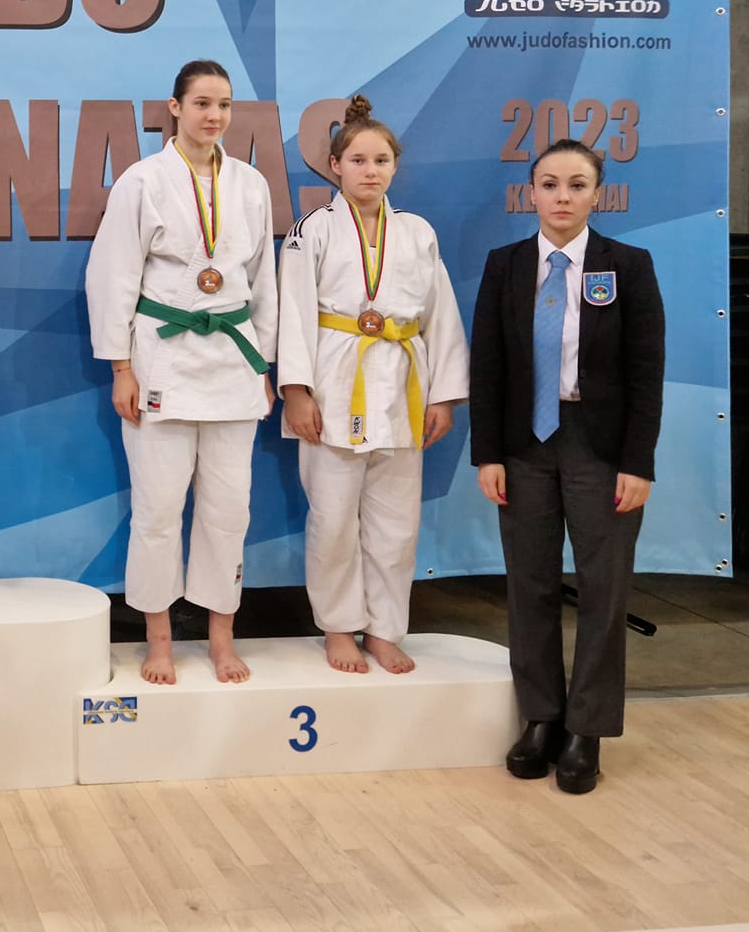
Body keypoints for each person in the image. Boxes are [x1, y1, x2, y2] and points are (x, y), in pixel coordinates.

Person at [470, 137, 665, 794]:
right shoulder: (505, 266)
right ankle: (542, 718)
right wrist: (488, 453)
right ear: (530, 194)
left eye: (577, 185)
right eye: (550, 184)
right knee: (529, 583)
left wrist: (638, 462)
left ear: (597, 194)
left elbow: (646, 372)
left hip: (599, 446)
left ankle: (588, 728)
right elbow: (487, 366)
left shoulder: (627, 266)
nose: (562, 197)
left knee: (603, 587)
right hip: (524, 444)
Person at [86, 60, 276, 684]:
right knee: (158, 509)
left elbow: (263, 282)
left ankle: (221, 638)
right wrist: (121, 367)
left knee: (229, 510)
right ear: (174, 108)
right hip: (161, 359)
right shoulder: (142, 181)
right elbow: (113, 275)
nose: (213, 116)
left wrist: (265, 364)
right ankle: (160, 639)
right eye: (201, 103)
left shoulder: (251, 184)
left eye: (223, 105)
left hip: (233, 361)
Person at [277, 96, 468, 676]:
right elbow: (293, 312)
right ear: (335, 165)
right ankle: (338, 626)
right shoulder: (311, 230)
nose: (370, 171)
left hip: (403, 384)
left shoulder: (417, 232)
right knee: (333, 518)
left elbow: (441, 314)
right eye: (358, 160)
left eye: (381, 161)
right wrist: (296, 391)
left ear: (394, 167)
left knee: (396, 524)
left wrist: (443, 394)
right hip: (335, 383)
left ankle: (384, 630)